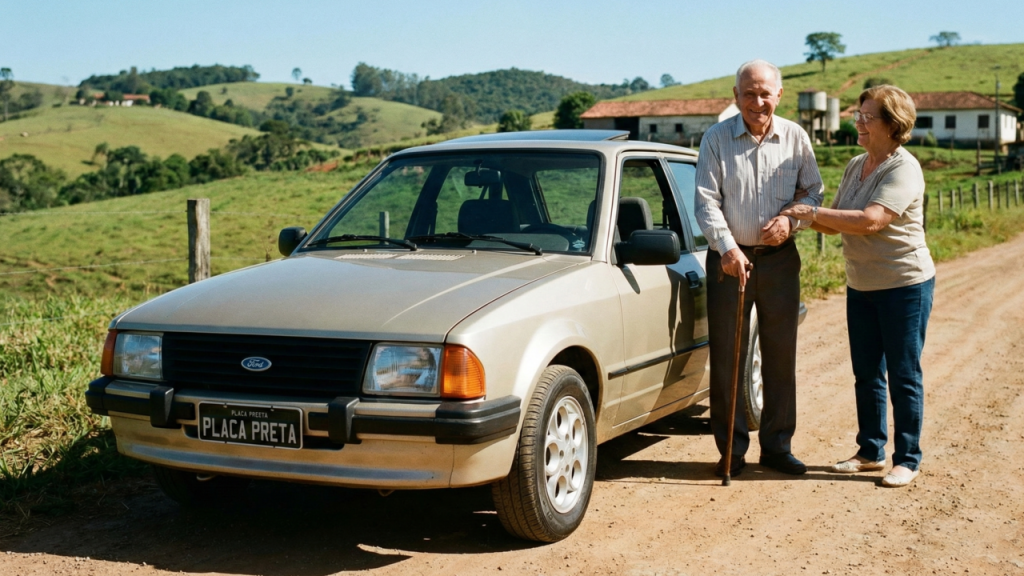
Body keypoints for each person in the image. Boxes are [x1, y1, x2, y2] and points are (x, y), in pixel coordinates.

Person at [782, 85, 934, 488]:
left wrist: (810, 211)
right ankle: (870, 451)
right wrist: (798, 218)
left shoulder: (903, 168)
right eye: (859, 115)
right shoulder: (855, 165)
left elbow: (869, 220)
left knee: (903, 372)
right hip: (861, 283)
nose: (859, 123)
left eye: (868, 117)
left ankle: (907, 458)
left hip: (904, 284)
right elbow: (835, 224)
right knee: (866, 372)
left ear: (892, 123)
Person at [694, 60, 823, 477]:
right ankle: (730, 450)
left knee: (780, 355)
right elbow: (705, 200)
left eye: (765, 93)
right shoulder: (715, 138)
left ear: (779, 95)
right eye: (748, 93)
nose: (757, 101)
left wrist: (791, 220)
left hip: (781, 261)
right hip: (729, 262)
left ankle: (778, 447)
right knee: (728, 357)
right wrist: (728, 248)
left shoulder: (796, 138)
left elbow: (813, 192)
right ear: (735, 97)